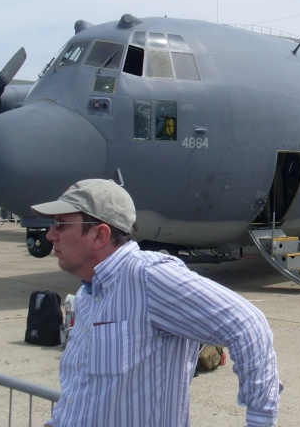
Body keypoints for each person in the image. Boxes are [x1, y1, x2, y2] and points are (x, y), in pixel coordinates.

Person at [32, 179, 281, 426]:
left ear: (100, 234)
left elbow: (249, 325)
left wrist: (260, 421)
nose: (51, 235)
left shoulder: (149, 278)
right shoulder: (88, 295)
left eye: (61, 225)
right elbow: (85, 388)